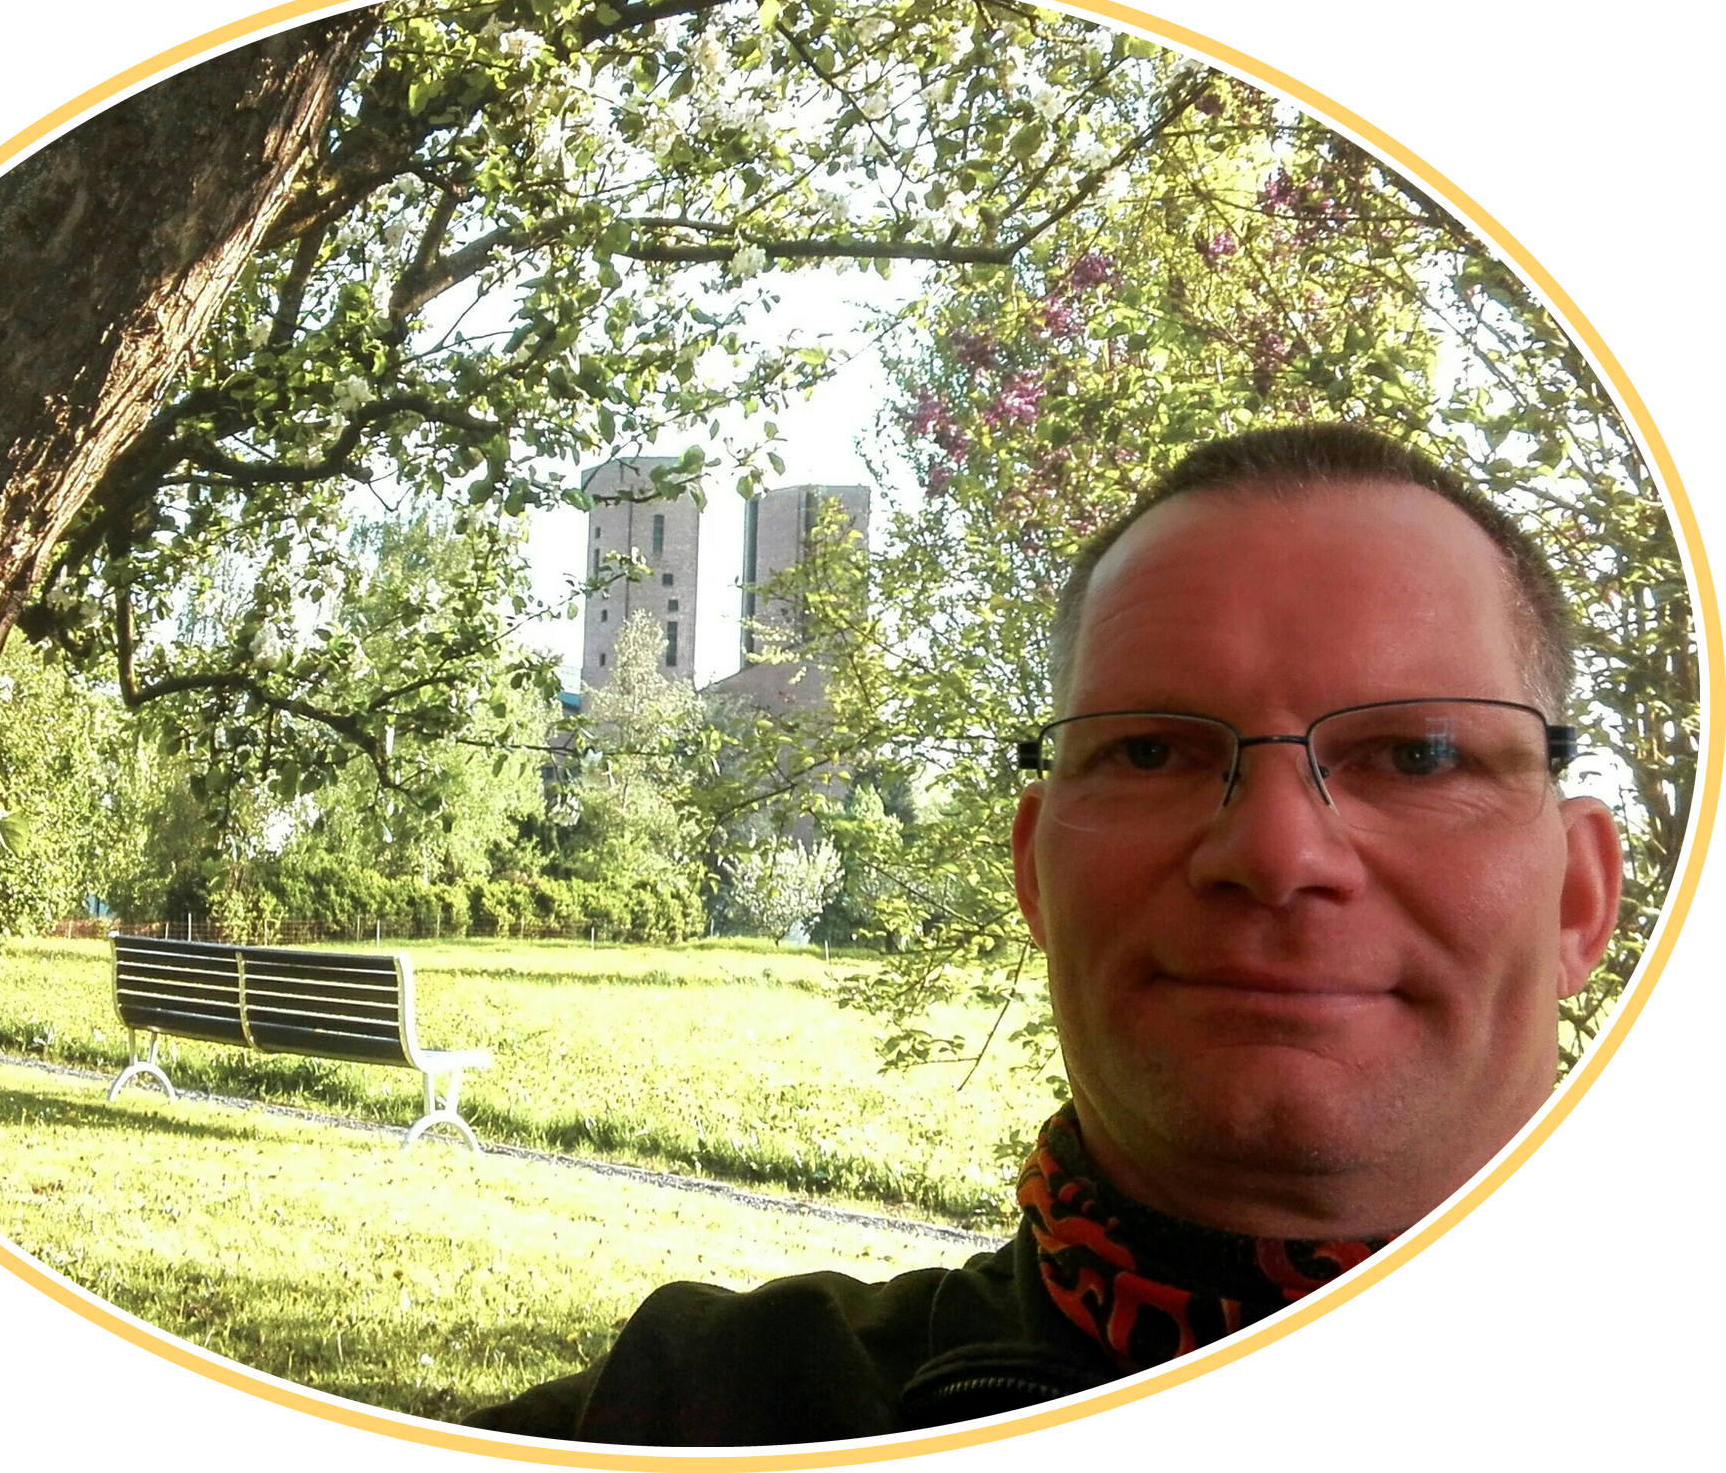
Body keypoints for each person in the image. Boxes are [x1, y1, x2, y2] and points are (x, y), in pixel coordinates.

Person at [461, 423, 1626, 1445]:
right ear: (1032, 870)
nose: (1276, 854)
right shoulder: (706, 1410)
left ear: (1578, 896)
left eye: (1417, 755)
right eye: (1150, 752)